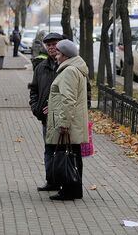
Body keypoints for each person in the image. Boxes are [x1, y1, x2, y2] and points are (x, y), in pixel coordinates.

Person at [46, 39, 89, 201]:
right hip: (74, 121)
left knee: (68, 156)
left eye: (57, 53)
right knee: (74, 156)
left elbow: (68, 99)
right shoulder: (75, 68)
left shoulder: (69, 71)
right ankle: (75, 189)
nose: (55, 56)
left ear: (65, 55)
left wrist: (63, 123)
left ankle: (68, 190)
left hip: (68, 123)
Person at [28, 32, 64, 192]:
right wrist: (36, 108)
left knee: (63, 150)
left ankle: (65, 180)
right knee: (49, 149)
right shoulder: (41, 67)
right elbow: (33, 89)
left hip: (64, 117)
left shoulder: (67, 66)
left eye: (54, 44)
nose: (51, 47)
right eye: (48, 45)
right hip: (46, 118)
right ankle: (51, 181)